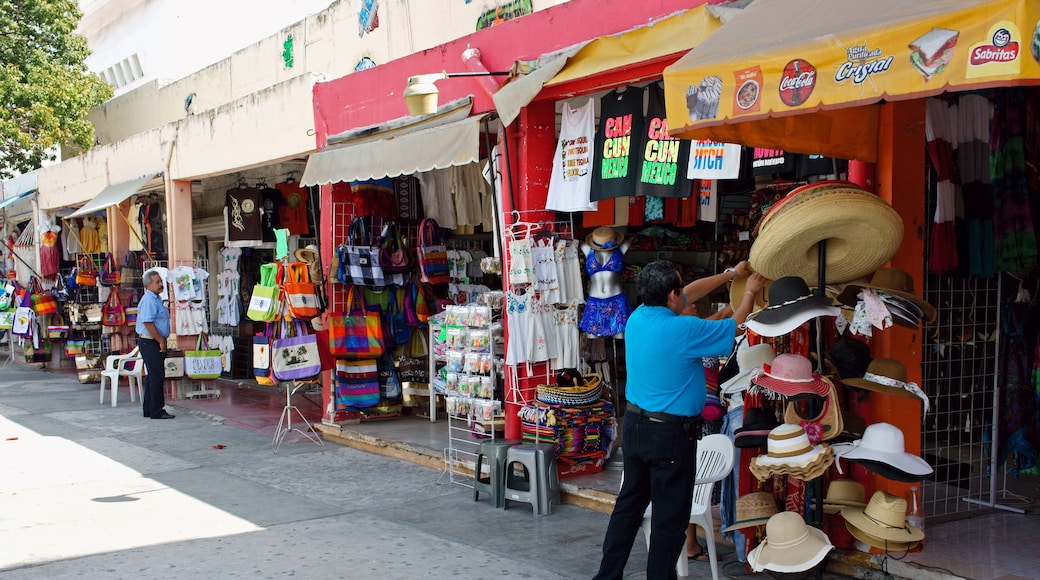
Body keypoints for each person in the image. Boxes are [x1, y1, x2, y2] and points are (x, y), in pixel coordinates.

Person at [593, 260, 765, 579]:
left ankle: (607, 576)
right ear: (672, 296)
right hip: (669, 436)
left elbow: (689, 291)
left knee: (628, 508)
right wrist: (749, 293)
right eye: (680, 287)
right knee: (669, 520)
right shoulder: (683, 329)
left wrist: (731, 275)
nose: (685, 291)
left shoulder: (638, 317)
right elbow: (738, 324)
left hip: (635, 427)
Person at [579, 226, 632, 339]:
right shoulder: (585, 248)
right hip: (594, 302)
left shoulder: (623, 248)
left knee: (620, 339)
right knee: (592, 339)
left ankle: (620, 357)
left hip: (617, 301)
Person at [136, 270, 175, 419]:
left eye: (161, 281)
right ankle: (157, 410)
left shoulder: (156, 298)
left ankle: (150, 409)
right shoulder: (149, 300)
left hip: (153, 341)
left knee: (154, 376)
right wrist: (160, 340)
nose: (161, 284)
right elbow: (148, 322)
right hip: (150, 341)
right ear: (148, 284)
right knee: (157, 376)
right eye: (157, 282)